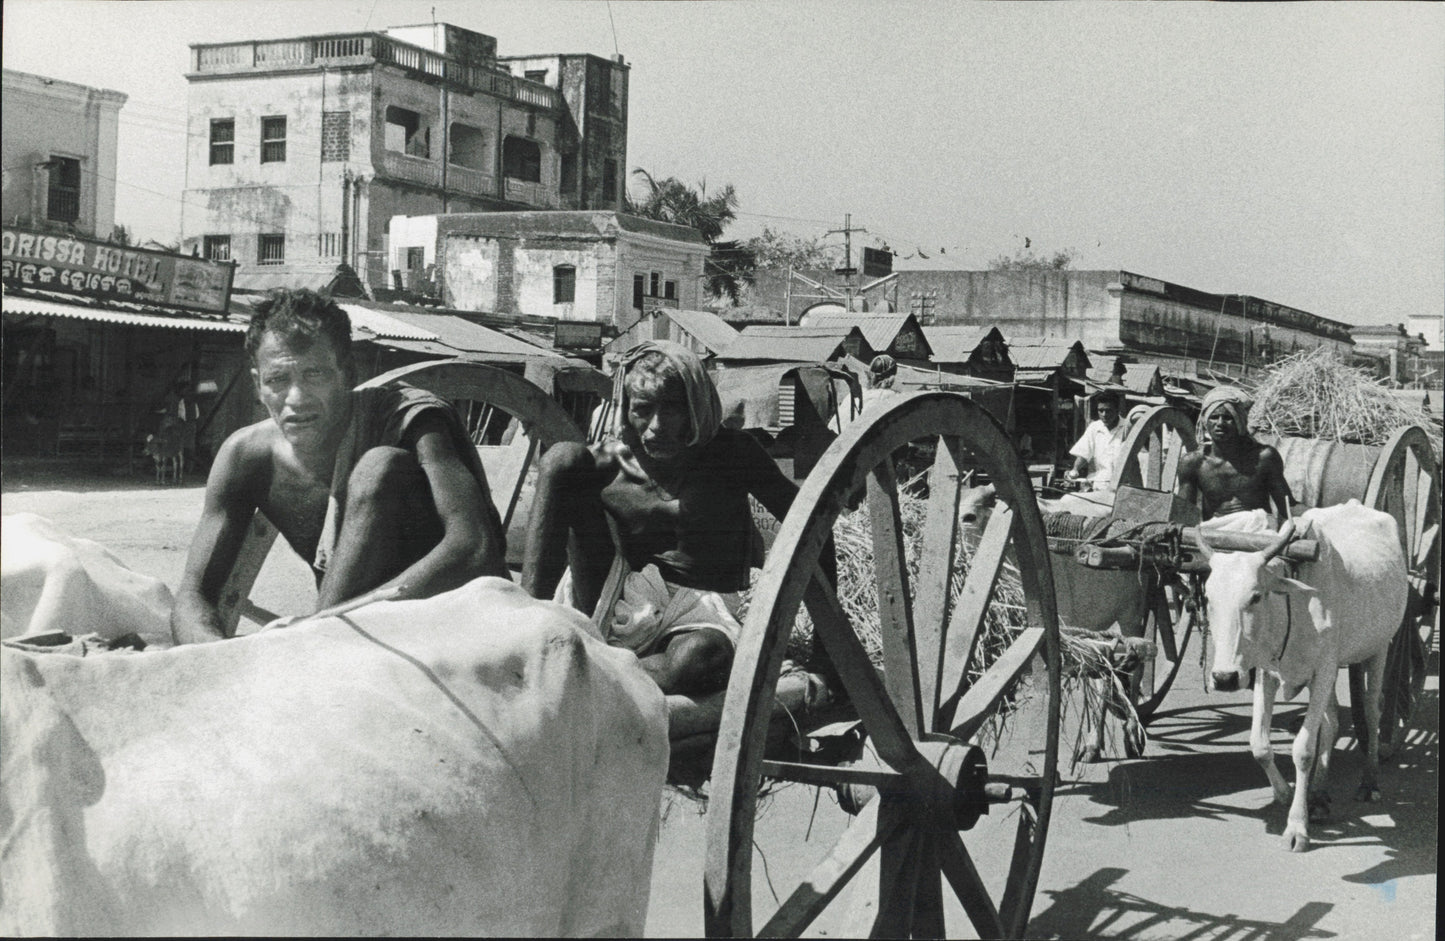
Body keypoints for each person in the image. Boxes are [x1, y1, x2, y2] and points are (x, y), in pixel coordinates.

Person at [171, 288, 507, 644]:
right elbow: (193, 597)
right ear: (257, 384)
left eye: (315, 374)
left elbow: (475, 549)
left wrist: (328, 623)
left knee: (379, 467)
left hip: (453, 625)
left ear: (347, 373)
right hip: (340, 640)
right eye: (278, 380)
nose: (296, 399)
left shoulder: (410, 420)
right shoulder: (246, 457)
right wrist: (213, 657)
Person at [520, 340, 803, 696]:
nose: (655, 425)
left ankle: (590, 676)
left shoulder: (733, 454)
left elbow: (811, 528)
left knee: (699, 659)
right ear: (627, 409)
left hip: (698, 612)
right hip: (615, 593)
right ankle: (524, 631)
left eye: (672, 409)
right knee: (563, 458)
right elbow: (565, 511)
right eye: (643, 409)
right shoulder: (609, 463)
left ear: (697, 407)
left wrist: (827, 651)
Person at [1176, 385, 1292, 523]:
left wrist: (1318, 515)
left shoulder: (1264, 458)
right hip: (1214, 533)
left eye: (1227, 417)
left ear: (1240, 422)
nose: (1220, 423)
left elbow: (1288, 506)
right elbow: (1183, 511)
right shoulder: (1193, 463)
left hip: (1257, 534)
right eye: (1214, 417)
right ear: (1205, 422)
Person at [1065, 391, 1128, 492]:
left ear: (1117, 410)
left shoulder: (1127, 427)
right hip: (1099, 483)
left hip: (1123, 485)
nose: (1104, 414)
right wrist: (1075, 469)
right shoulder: (1094, 427)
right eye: (1101, 410)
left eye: (1108, 411)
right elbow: (1084, 453)